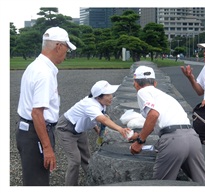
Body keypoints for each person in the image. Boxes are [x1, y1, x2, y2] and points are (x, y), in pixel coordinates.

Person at [129, 66, 205, 184]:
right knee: (203, 183)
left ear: (136, 83)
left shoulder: (142, 91)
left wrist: (139, 142)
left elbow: (153, 115)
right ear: (155, 83)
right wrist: (139, 135)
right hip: (192, 138)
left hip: (173, 140)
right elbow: (157, 121)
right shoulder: (165, 96)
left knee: (162, 185)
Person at [16, 26, 76, 186]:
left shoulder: (35, 66)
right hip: (35, 132)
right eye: (67, 49)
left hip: (28, 131)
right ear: (59, 46)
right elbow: (37, 113)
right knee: (37, 183)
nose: (66, 54)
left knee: (33, 180)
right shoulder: (44, 73)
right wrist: (47, 148)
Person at [55, 80, 131, 186]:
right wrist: (121, 129)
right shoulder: (91, 105)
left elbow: (90, 118)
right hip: (66, 129)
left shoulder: (100, 103)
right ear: (98, 97)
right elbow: (103, 119)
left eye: (111, 94)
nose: (111, 97)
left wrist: (96, 128)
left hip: (79, 129)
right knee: (75, 160)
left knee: (86, 157)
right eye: (108, 95)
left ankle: (92, 182)